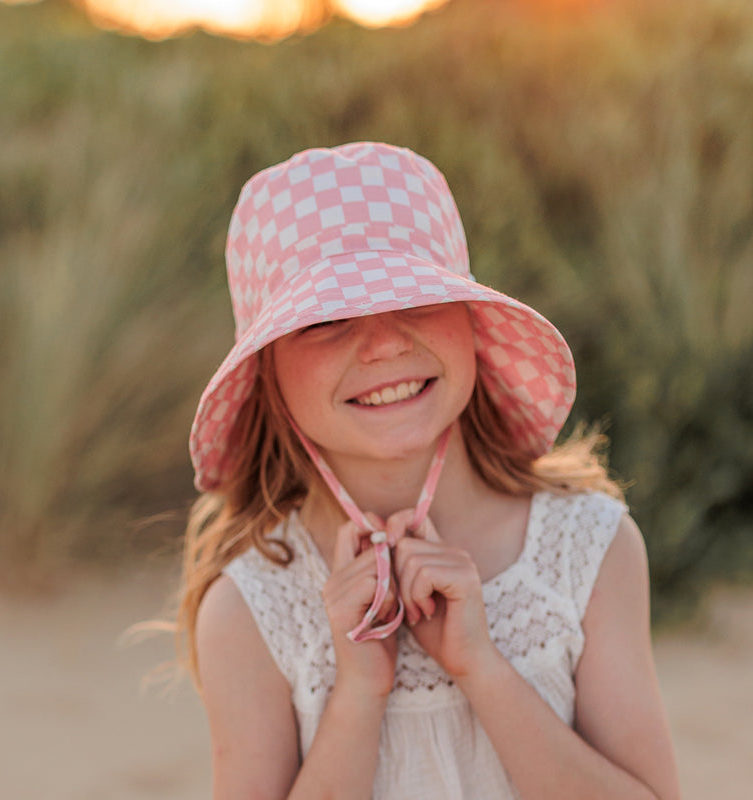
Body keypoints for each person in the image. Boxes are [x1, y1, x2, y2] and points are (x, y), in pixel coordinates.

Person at [178, 142, 680, 799]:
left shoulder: (588, 549)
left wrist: (482, 669)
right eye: (327, 320)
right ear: (266, 371)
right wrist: (359, 691)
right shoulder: (252, 610)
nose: (384, 341)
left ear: (470, 322)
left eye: (416, 299)